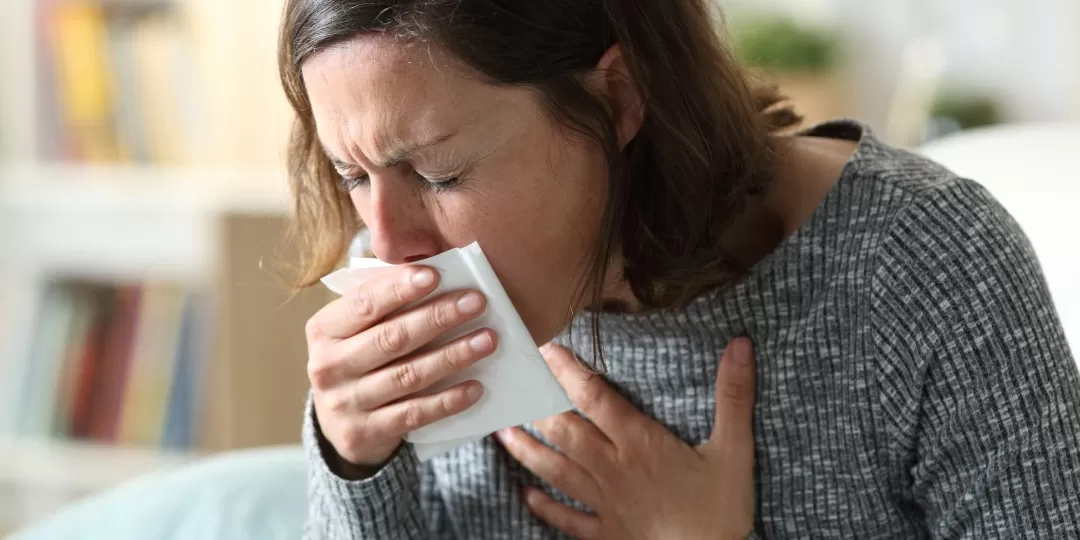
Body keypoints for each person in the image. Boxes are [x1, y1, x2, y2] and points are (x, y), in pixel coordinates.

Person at [279, 1, 1080, 538]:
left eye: (440, 174)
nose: (384, 246)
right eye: (353, 175)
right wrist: (355, 462)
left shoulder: (919, 263)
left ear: (619, 96)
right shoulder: (400, 280)